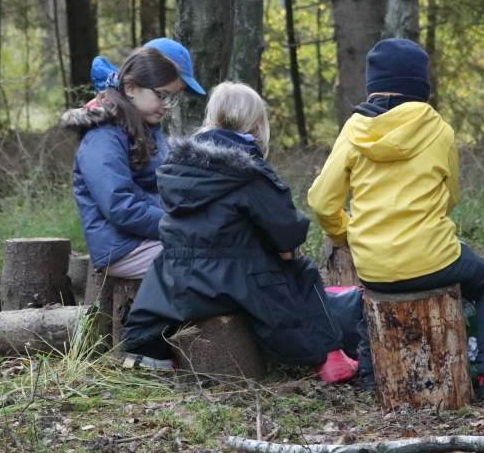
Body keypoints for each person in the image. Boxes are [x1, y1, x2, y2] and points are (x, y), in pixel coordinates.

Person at [308, 39, 484, 400]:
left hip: (373, 264)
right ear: (420, 85)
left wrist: (347, 235)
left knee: (370, 292)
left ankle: (372, 376)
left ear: (372, 84)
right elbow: (449, 195)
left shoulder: (353, 131)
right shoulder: (438, 129)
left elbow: (321, 201)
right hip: (432, 258)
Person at [122, 82, 361, 378]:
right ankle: (330, 355)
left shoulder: (175, 168)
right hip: (238, 281)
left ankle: (150, 354)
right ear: (257, 127)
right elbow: (287, 231)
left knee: (159, 293)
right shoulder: (248, 172)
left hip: (178, 281)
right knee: (303, 270)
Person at [61, 46, 193, 279]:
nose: (169, 105)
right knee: (213, 259)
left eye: (173, 97)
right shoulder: (103, 137)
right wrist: (179, 226)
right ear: (130, 88)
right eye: (162, 95)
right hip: (123, 248)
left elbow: (154, 190)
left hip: (147, 236)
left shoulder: (141, 128)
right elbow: (121, 208)